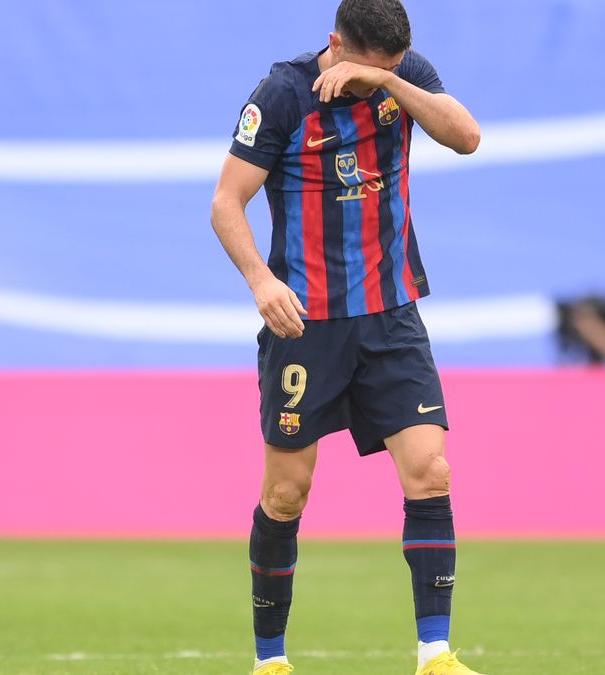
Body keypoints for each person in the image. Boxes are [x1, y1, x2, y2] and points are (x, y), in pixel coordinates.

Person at [209, 1, 483, 673]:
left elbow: (467, 136)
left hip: (391, 315)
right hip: (305, 323)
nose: (378, 77)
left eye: (391, 65)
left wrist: (388, 81)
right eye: (369, 65)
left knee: (430, 471)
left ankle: (436, 654)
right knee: (286, 494)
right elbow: (225, 203)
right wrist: (260, 281)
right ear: (336, 43)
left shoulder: (402, 74)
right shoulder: (282, 95)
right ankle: (270, 659)